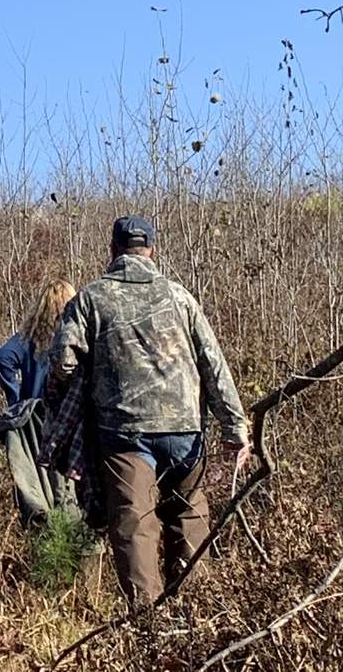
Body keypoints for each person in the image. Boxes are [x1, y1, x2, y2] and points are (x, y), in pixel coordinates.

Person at [50, 216, 250, 608]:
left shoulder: (91, 298)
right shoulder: (181, 297)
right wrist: (235, 427)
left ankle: (148, 626)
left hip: (124, 433)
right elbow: (213, 364)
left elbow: (62, 362)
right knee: (189, 519)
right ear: (152, 250)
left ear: (113, 251)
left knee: (134, 526)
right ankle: (195, 616)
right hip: (185, 432)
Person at [0, 279, 75, 406]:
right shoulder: (74, 335)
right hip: (67, 411)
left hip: (36, 415)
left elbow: (2, 357)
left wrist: (17, 402)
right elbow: (3, 357)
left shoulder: (30, 336)